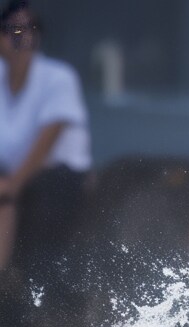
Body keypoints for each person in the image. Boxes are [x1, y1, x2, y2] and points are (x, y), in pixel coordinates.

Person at [0, 0, 91, 280]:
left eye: (32, 29)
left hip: (57, 177)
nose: (25, 37)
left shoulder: (58, 77)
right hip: (12, 173)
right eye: (16, 30)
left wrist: (11, 187)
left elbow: (45, 143)